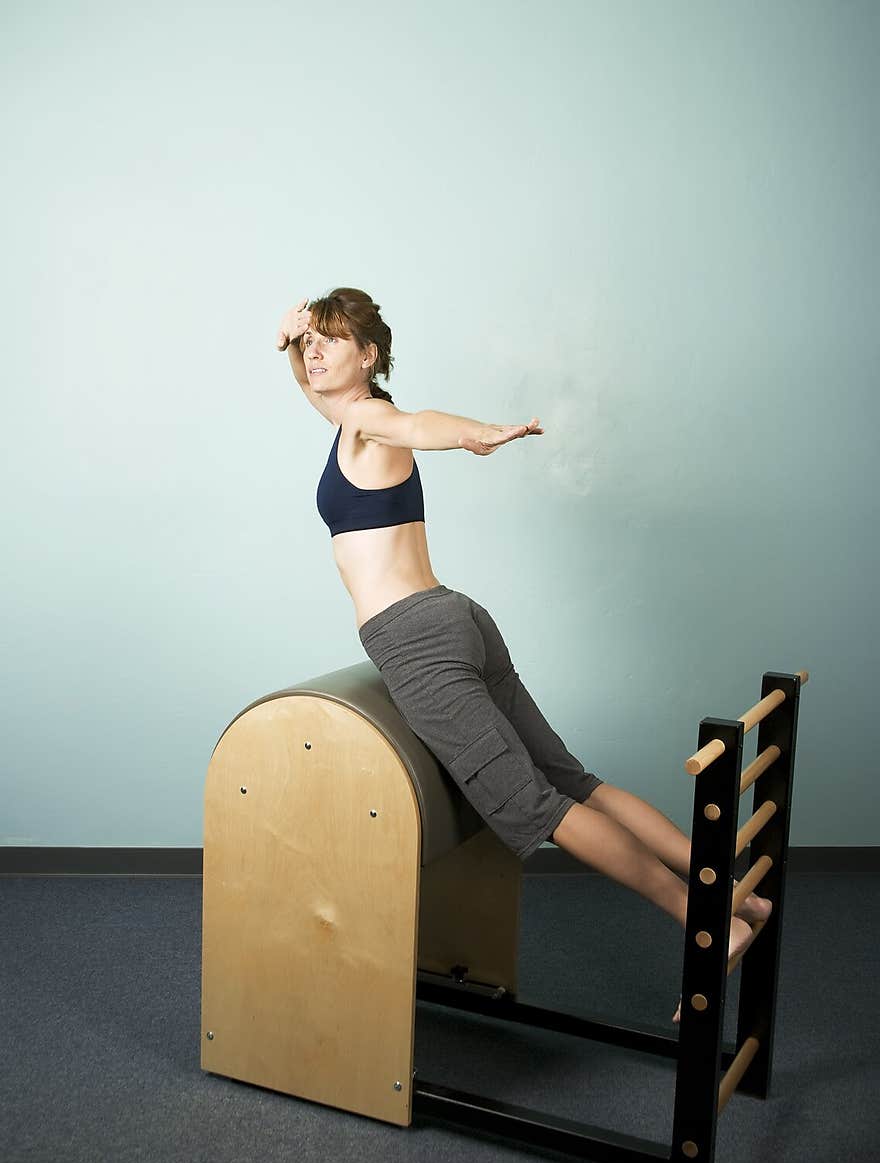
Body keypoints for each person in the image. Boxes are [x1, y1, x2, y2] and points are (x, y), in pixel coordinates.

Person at [276, 287, 769, 1022]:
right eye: (310, 342)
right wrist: (289, 342)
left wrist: (473, 433)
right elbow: (330, 397)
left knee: (538, 804)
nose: (314, 352)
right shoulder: (348, 423)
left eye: (330, 340)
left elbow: (415, 420)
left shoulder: (374, 421)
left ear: (370, 356)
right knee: (577, 779)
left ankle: (708, 921)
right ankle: (729, 891)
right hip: (457, 618)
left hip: (416, 641)